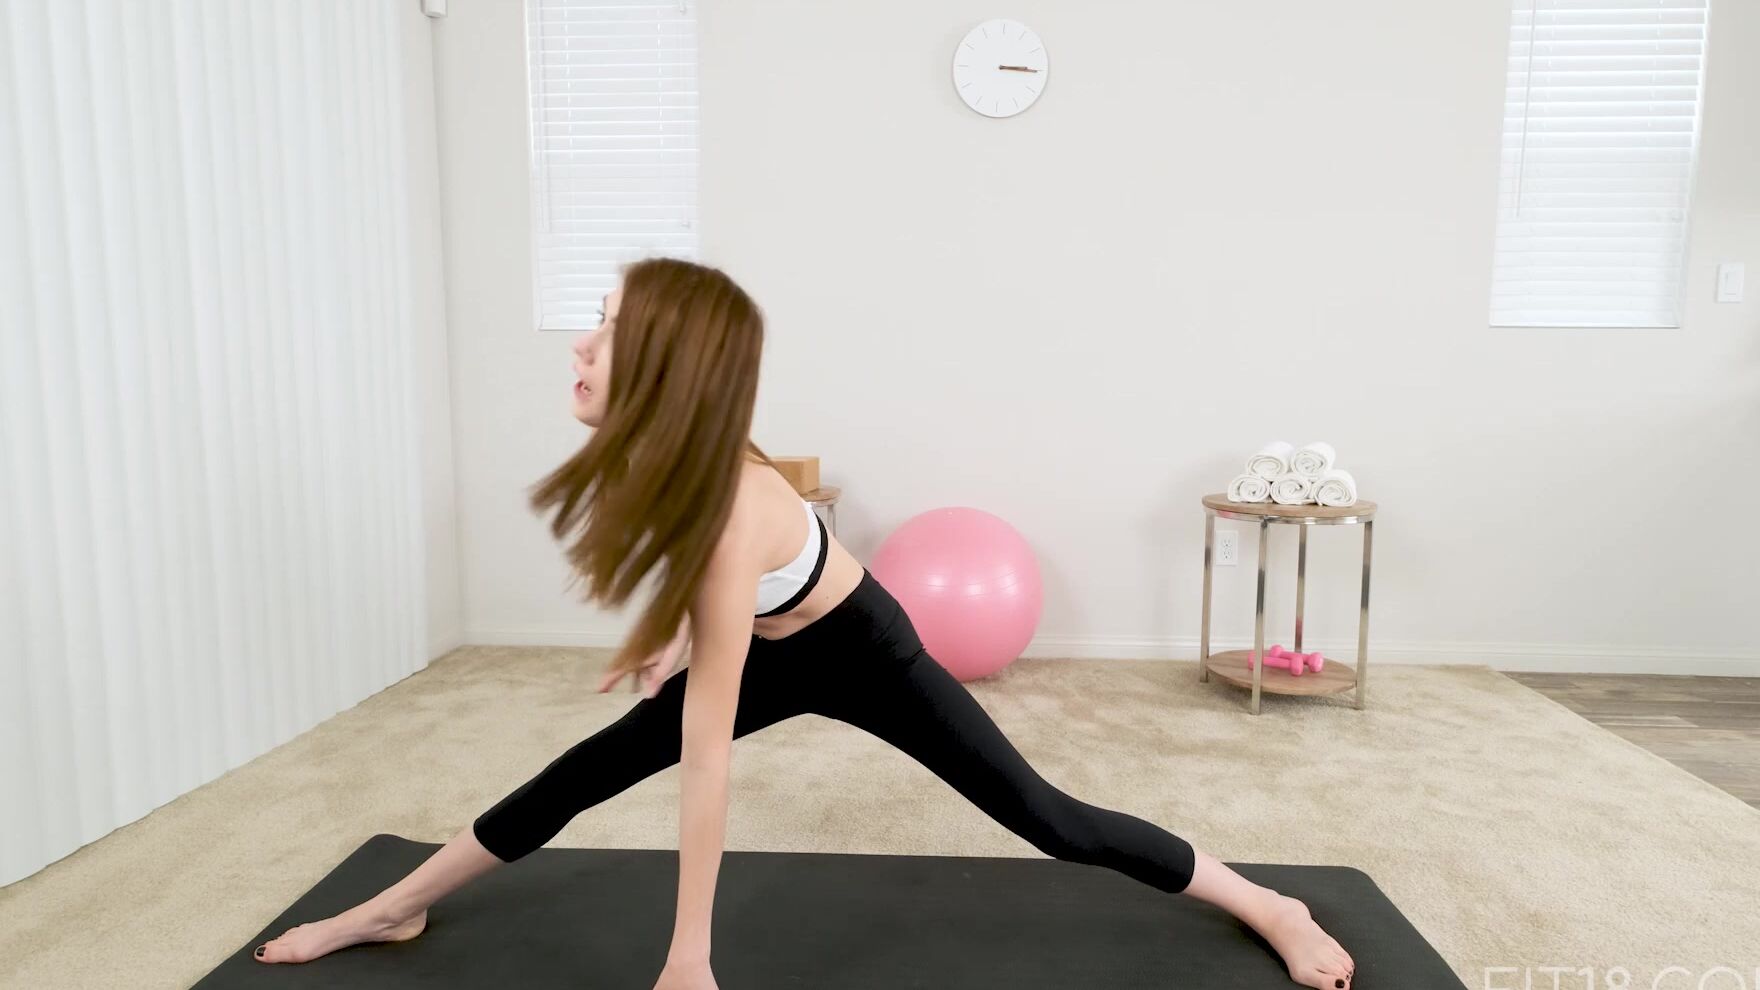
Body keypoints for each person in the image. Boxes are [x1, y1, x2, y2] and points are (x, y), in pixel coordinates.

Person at [253, 258, 1355, 990]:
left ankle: (1271, 905)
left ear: (667, 370)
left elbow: (706, 765)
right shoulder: (662, 452)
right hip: (771, 639)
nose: (579, 348)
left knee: (1047, 818)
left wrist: (689, 959)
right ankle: (387, 912)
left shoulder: (730, 506)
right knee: (574, 776)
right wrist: (674, 634)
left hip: (864, 650)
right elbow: (705, 567)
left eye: (604, 330)